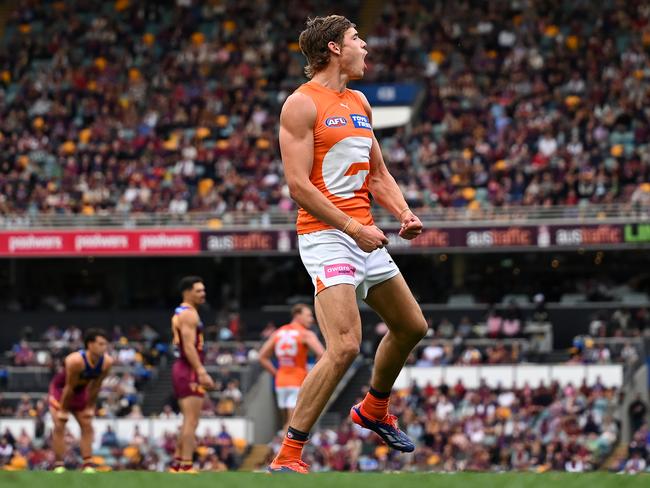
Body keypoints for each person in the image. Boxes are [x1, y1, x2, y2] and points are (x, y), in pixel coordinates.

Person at [268, 15, 427, 473]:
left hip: (365, 236)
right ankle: (289, 454)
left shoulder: (359, 101)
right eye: (357, 39)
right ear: (335, 48)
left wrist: (403, 212)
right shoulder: (300, 105)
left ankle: (373, 409)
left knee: (413, 326)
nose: (366, 47)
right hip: (326, 236)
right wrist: (354, 229)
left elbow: (377, 173)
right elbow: (298, 187)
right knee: (343, 346)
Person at [48, 328, 113, 473]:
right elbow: (69, 387)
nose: (105, 348)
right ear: (90, 345)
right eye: (101, 344)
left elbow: (96, 386)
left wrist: (90, 406)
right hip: (61, 391)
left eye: (106, 344)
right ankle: (59, 465)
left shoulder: (107, 362)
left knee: (87, 425)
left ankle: (88, 464)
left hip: (80, 392)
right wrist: (63, 410)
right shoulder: (75, 360)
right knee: (59, 425)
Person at [169, 276, 215, 473]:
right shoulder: (189, 314)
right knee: (191, 420)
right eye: (198, 290)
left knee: (189, 419)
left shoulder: (182, 312)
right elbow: (188, 346)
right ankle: (187, 465)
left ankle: (177, 463)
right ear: (187, 292)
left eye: (203, 290)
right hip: (188, 368)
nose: (203, 294)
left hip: (183, 368)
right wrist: (201, 371)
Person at [258, 304, 325, 431]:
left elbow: (262, 356)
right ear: (297, 315)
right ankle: (288, 450)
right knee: (294, 425)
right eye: (309, 315)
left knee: (287, 423)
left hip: (281, 383)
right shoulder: (305, 334)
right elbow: (322, 354)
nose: (311, 319)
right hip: (298, 381)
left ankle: (283, 448)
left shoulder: (278, 332)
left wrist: (276, 373)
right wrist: (313, 375)